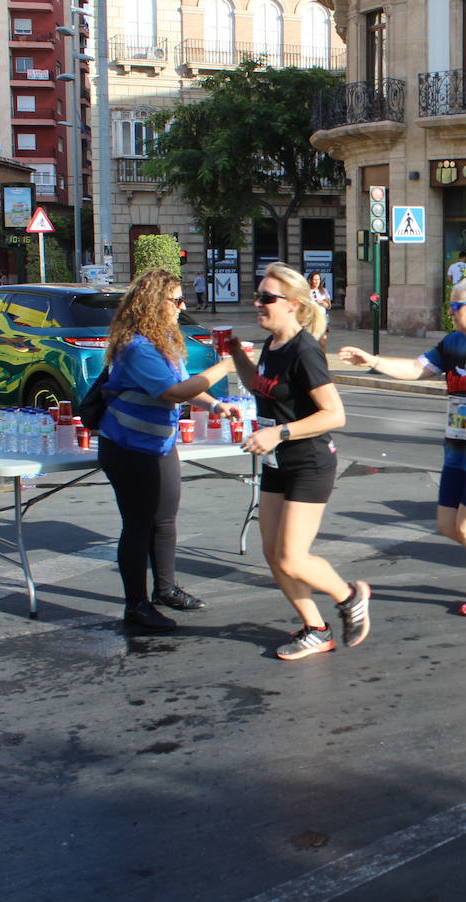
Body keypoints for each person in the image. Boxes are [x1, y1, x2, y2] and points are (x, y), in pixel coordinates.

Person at [339, 276, 466, 618]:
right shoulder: (452, 343)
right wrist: (373, 361)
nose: (449, 312)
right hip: (457, 446)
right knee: (448, 526)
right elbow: (417, 368)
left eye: (455, 306)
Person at [228, 262, 369, 660]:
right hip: (277, 461)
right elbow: (262, 386)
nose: (258, 303)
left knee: (292, 556)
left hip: (309, 461)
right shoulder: (273, 345)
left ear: (291, 304)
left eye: (266, 298)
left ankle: (350, 596)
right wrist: (236, 356)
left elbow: (334, 415)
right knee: (272, 554)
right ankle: (314, 628)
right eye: (257, 295)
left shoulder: (305, 349)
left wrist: (279, 432)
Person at [96, 269, 239, 633]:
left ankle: (165, 589)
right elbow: (171, 394)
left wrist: (214, 405)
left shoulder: (160, 342)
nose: (182, 306)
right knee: (139, 525)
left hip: (158, 445)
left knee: (165, 520)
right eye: (175, 300)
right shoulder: (138, 346)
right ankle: (136, 605)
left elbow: (182, 385)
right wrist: (226, 364)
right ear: (152, 302)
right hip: (129, 448)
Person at [307, 271, 331, 349]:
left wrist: (321, 302)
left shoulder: (324, 290)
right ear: (310, 280)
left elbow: (328, 306)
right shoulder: (306, 291)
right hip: (311, 317)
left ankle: (322, 358)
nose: (317, 281)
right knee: (311, 341)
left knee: (322, 342)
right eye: (315, 279)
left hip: (322, 317)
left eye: (318, 279)